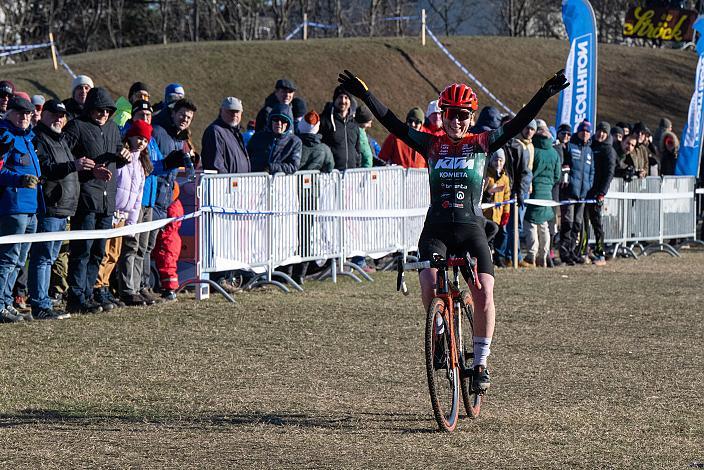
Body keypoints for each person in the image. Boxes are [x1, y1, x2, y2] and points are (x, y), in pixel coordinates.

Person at [337, 68, 568, 391]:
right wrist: (366, 95)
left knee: (484, 292)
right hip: (437, 230)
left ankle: (481, 362)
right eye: (450, 114)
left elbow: (517, 124)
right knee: (429, 284)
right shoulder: (430, 145)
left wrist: (544, 93)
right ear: (441, 116)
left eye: (462, 115)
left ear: (471, 118)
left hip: (472, 229)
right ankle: (440, 328)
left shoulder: (483, 143)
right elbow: (392, 123)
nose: (456, 121)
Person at [63, 87, 129, 314]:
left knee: (99, 250)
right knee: (82, 249)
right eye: (98, 110)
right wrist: (86, 168)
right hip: (85, 197)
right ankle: (76, 296)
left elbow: (117, 154)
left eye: (107, 111)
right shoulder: (77, 126)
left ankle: (89, 293)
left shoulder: (112, 128)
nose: (103, 114)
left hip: (107, 199)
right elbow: (63, 154)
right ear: (90, 109)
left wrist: (125, 156)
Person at [28, 99, 86, 320]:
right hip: (50, 208)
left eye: (62, 115)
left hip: (63, 209)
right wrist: (74, 165)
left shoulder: (61, 140)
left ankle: (44, 301)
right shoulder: (39, 138)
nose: (59, 119)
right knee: (42, 258)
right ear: (43, 115)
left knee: (50, 258)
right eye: (54, 114)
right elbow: (46, 169)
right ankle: (40, 305)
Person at [93, 120, 152, 310]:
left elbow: (138, 198)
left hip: (124, 216)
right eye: (139, 138)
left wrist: (132, 223)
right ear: (130, 136)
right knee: (103, 251)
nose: (141, 142)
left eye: (145, 140)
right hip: (111, 212)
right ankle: (97, 286)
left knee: (114, 253)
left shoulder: (142, 165)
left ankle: (105, 285)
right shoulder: (121, 160)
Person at [0, 96, 41, 323]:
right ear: (10, 113)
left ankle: (6, 302)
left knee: (18, 261)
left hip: (31, 208)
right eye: (20, 112)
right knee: (7, 259)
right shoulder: (4, 136)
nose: (25, 116)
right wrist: (19, 180)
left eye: (28, 113)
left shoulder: (27, 137)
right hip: (13, 206)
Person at [522, 121, 560, 267]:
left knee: (531, 223)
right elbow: (557, 176)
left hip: (534, 191)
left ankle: (531, 254)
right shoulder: (554, 152)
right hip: (548, 193)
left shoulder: (533, 149)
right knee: (543, 225)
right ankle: (543, 257)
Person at [559, 120, 594, 266]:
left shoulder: (590, 151)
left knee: (577, 225)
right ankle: (564, 253)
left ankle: (573, 251)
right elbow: (564, 166)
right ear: (578, 132)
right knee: (568, 223)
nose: (585, 133)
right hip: (569, 193)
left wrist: (588, 186)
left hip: (583, 195)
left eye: (587, 131)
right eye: (582, 131)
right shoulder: (570, 147)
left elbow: (592, 171)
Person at [581, 121, 616, 266]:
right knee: (583, 223)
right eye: (599, 131)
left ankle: (600, 252)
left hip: (597, 193)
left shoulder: (609, 151)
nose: (601, 134)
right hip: (585, 190)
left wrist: (602, 192)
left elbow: (609, 173)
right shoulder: (590, 146)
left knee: (596, 224)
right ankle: (583, 251)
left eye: (604, 132)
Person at [247, 103, 301, 174]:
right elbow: (246, 157)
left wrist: (271, 167)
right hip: (255, 180)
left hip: (280, 183)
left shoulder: (294, 142)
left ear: (288, 124)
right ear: (270, 120)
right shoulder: (258, 137)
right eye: (276, 119)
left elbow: (293, 166)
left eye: (283, 120)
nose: (279, 123)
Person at [201, 96, 251, 174]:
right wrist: (228, 182)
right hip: (224, 184)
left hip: (239, 183)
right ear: (221, 111)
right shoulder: (215, 132)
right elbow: (216, 165)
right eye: (230, 111)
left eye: (237, 111)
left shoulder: (236, 133)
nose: (234, 114)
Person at [154, 181, 184, 301]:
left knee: (167, 266)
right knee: (168, 265)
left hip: (168, 241)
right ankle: (169, 289)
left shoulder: (172, 207)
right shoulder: (176, 205)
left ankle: (170, 290)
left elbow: (169, 226)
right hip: (171, 240)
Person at [319, 86, 361, 170]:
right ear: (335, 100)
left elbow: (357, 150)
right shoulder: (324, 121)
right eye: (340, 97)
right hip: (331, 174)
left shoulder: (354, 125)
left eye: (346, 98)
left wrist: (358, 166)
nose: (343, 101)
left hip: (351, 174)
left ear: (350, 101)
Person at [482, 149, 511, 261]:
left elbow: (506, 197)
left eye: (500, 160)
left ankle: (498, 258)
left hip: (498, 214)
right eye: (495, 160)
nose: (498, 163)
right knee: (487, 236)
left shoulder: (505, 178)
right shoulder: (486, 175)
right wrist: (488, 190)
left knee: (498, 236)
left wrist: (506, 212)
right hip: (486, 213)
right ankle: (486, 258)